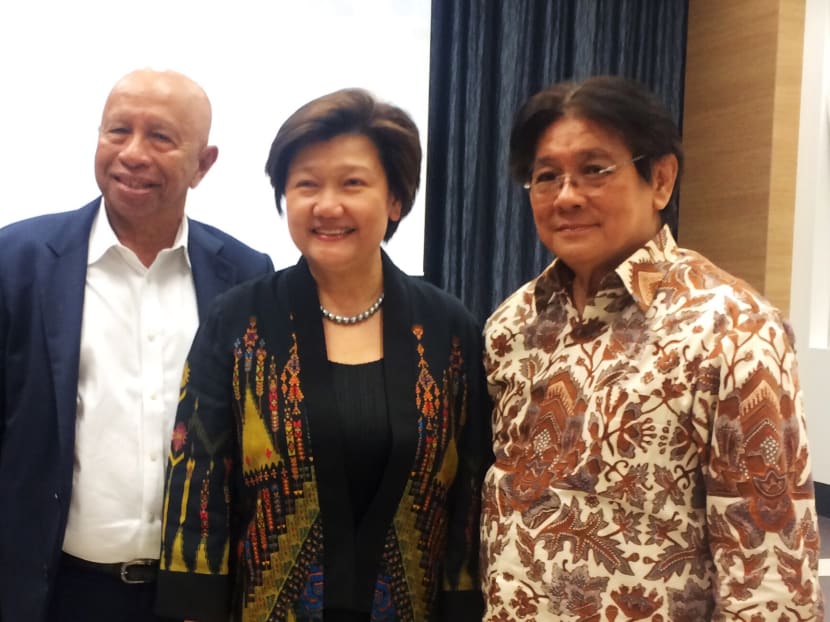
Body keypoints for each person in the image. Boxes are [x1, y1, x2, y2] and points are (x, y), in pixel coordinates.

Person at [480, 75, 823, 621]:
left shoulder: (734, 330)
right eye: (546, 177)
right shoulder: (511, 325)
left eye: (595, 170)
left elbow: (771, 574)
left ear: (660, 179)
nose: (566, 196)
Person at [154, 88, 490, 622]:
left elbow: (469, 493)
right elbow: (197, 481)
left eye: (353, 183)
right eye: (306, 184)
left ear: (396, 199)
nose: (327, 205)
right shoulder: (240, 322)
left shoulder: (450, 330)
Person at [0, 68, 274, 622]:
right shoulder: (17, 262)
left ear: (204, 163)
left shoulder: (246, 277)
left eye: (161, 138)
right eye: (117, 131)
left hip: (195, 599)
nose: (132, 153)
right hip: (52, 592)